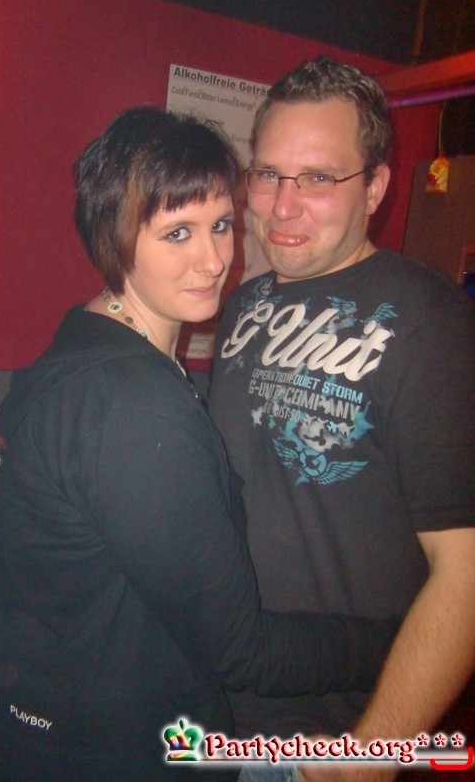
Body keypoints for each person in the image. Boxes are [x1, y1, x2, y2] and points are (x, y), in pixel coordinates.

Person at [0, 106, 399, 782]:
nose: (214, 260)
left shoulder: (89, 339)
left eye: (221, 225)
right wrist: (394, 642)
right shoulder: (132, 404)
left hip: (53, 725)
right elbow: (241, 651)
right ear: (114, 237)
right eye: (177, 232)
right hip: (114, 754)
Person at [208, 56, 475, 781]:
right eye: (268, 174)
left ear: (376, 188)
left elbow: (465, 573)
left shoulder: (431, 323)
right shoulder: (245, 301)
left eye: (319, 179)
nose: (281, 206)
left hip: (324, 734)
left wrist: (372, 752)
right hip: (215, 706)